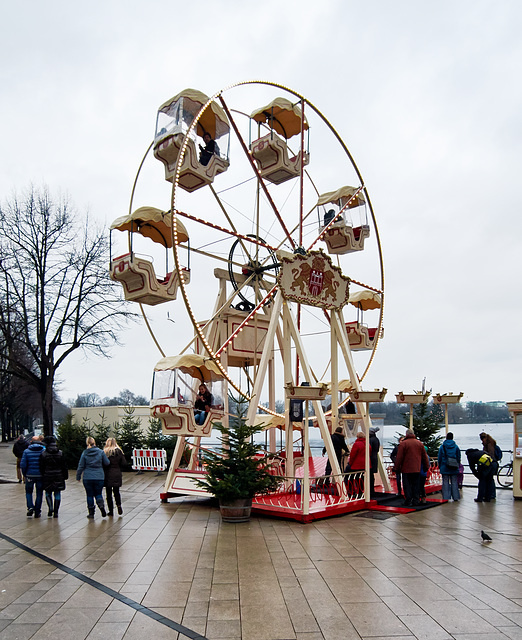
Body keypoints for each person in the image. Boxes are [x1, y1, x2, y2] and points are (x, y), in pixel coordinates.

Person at [394, 429, 430, 507]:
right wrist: (426, 466)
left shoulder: (403, 444)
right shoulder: (419, 444)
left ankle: (408, 501)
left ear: (406, 435)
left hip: (406, 469)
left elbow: (399, 458)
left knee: (407, 485)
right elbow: (425, 457)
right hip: (416, 469)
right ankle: (416, 500)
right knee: (416, 485)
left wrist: (396, 468)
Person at [76, 437, 110, 518]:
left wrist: (78, 476)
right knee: (98, 494)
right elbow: (107, 463)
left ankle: (91, 513)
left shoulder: (85, 453)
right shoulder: (101, 452)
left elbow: (81, 466)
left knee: (89, 495)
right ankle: (101, 507)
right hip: (99, 476)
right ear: (95, 443)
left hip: (87, 477)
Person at [39, 436, 68, 517]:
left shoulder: (44, 454)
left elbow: (42, 467)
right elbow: (64, 466)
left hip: (47, 475)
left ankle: (50, 508)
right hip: (58, 475)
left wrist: (43, 475)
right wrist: (65, 476)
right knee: (57, 493)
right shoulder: (60, 453)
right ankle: (56, 511)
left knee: (48, 493)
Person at [20, 436, 46, 517]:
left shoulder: (26, 451)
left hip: (29, 475)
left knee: (28, 492)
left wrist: (25, 474)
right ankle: (37, 510)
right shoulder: (43, 451)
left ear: (31, 441)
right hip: (40, 475)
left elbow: (23, 464)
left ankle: (30, 507)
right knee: (39, 492)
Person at [103, 438, 127, 516]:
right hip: (117, 473)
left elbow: (103, 463)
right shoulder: (119, 451)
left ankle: (111, 511)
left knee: (108, 493)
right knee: (116, 492)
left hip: (108, 474)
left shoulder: (105, 452)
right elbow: (124, 463)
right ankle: (119, 505)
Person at [437, 432, 461, 502]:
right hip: (454, 466)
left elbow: (440, 457)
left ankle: (446, 497)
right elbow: (458, 456)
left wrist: (440, 465)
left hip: (445, 466)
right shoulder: (456, 447)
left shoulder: (442, 447)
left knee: (445, 482)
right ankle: (456, 497)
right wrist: (457, 464)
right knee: (454, 482)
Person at [480, 432, 501, 500]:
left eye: (482, 440)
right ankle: (491, 494)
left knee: (489, 479)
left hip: (491, 464)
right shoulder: (491, 443)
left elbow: (490, 455)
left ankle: (490, 494)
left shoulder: (489, 445)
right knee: (490, 479)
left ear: (484, 438)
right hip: (494, 463)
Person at [369, 426, 380, 497]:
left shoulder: (370, 440)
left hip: (370, 459)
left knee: (369, 474)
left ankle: (370, 489)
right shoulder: (376, 439)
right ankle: (371, 489)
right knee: (371, 474)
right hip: (374, 458)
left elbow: (369, 449)